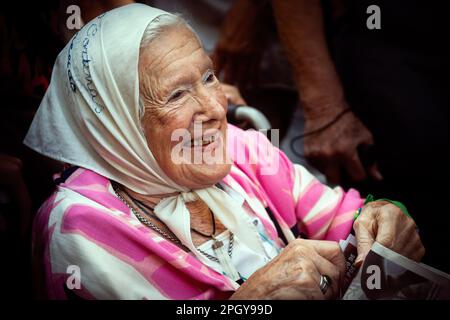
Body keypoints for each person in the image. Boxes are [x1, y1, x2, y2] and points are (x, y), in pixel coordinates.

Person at [25, 4, 423, 299]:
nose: (215, 109)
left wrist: (385, 218)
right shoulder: (80, 227)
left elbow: (348, 217)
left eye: (209, 76)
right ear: (114, 122)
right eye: (177, 94)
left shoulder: (243, 149)